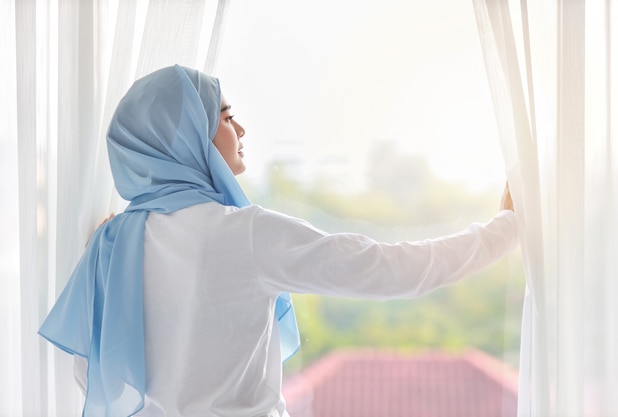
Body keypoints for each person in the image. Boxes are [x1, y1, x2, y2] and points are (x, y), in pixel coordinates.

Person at [39, 65, 517, 417]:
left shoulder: (107, 244)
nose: (241, 130)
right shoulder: (244, 233)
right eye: (225, 118)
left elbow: (91, 375)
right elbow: (389, 269)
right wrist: (505, 229)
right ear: (186, 137)